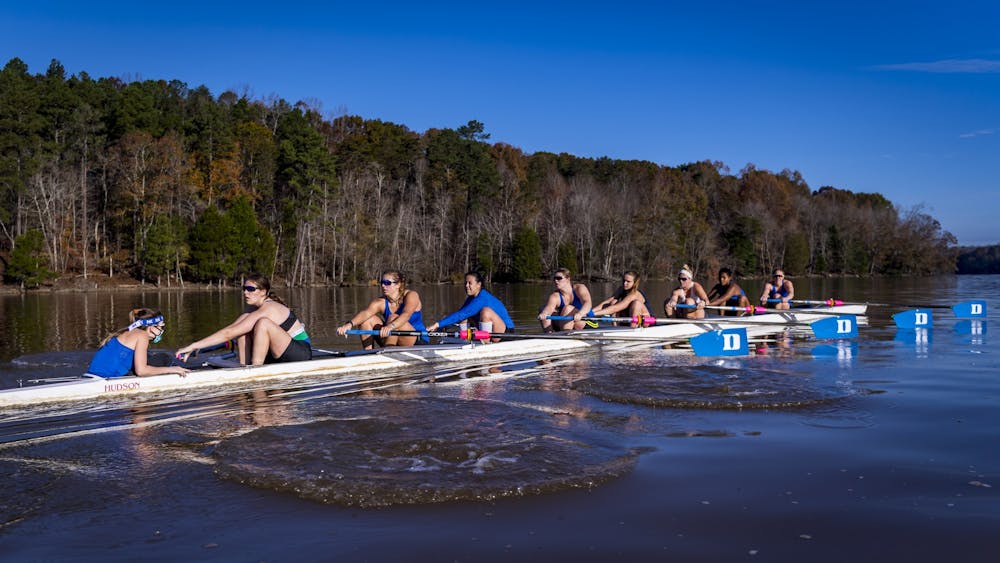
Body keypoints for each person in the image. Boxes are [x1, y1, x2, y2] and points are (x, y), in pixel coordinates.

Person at [176, 273, 311, 365]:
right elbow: (229, 331)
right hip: (278, 353)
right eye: (244, 288)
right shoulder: (252, 310)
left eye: (251, 289)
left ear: (263, 292)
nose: (246, 292)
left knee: (263, 324)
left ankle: (255, 369)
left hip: (301, 353)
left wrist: (193, 345)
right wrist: (199, 345)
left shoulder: (270, 308)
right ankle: (244, 368)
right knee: (241, 331)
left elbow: (228, 334)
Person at [336, 270, 426, 349]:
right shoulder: (380, 302)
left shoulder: (411, 295)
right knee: (367, 320)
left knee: (393, 317)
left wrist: (391, 326)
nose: (383, 285)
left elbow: (406, 314)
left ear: (398, 285)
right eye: (382, 282)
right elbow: (366, 313)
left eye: (387, 283)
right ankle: (368, 354)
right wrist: (349, 325)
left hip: (416, 339)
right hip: (390, 335)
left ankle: (388, 351)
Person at [88, 308, 190, 378]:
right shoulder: (142, 335)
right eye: (161, 327)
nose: (162, 331)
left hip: (91, 375)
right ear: (151, 327)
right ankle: (182, 370)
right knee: (164, 358)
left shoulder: (125, 332)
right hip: (105, 379)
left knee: (149, 356)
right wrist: (172, 370)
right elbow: (141, 371)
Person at [426, 271, 514, 337]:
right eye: (465, 283)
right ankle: (465, 340)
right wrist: (440, 327)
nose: (466, 286)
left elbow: (460, 315)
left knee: (485, 311)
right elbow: (459, 315)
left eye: (470, 283)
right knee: (463, 317)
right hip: (490, 330)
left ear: (478, 284)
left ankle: (484, 342)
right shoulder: (471, 298)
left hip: (505, 332)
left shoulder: (482, 298)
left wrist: (437, 324)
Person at [537, 268, 595, 332]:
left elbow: (587, 303)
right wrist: (544, 313)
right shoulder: (555, 296)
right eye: (554, 279)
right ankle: (549, 333)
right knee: (542, 308)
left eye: (559, 278)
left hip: (587, 320)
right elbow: (549, 308)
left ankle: (564, 335)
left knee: (568, 309)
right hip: (568, 322)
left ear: (568, 279)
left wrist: (580, 313)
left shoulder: (579, 288)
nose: (556, 281)